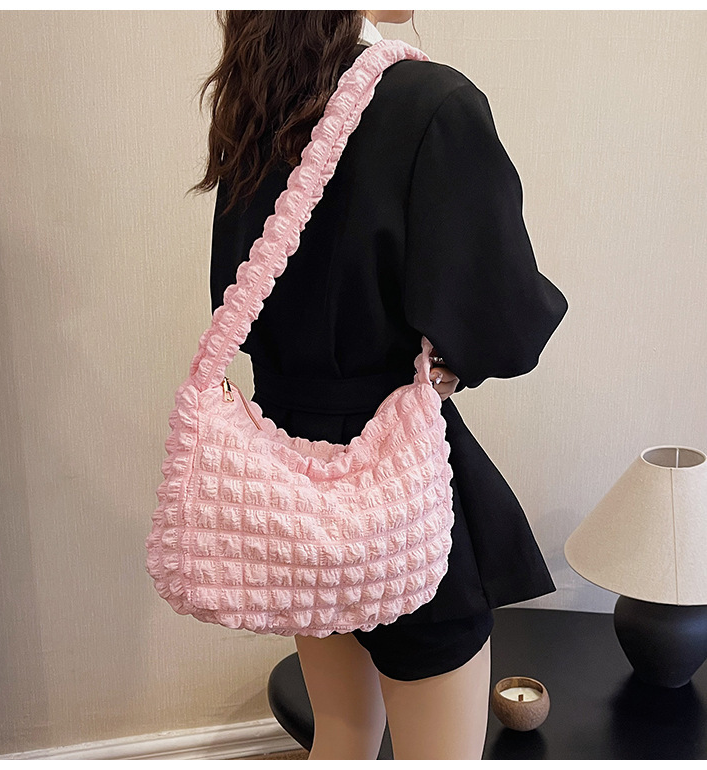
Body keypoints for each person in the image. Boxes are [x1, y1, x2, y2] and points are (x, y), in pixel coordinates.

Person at [191, 10, 568, 760]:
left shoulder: (261, 106)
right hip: (395, 489)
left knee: (341, 734)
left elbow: (239, 296)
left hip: (289, 476)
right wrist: (449, 368)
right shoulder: (432, 104)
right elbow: (503, 321)